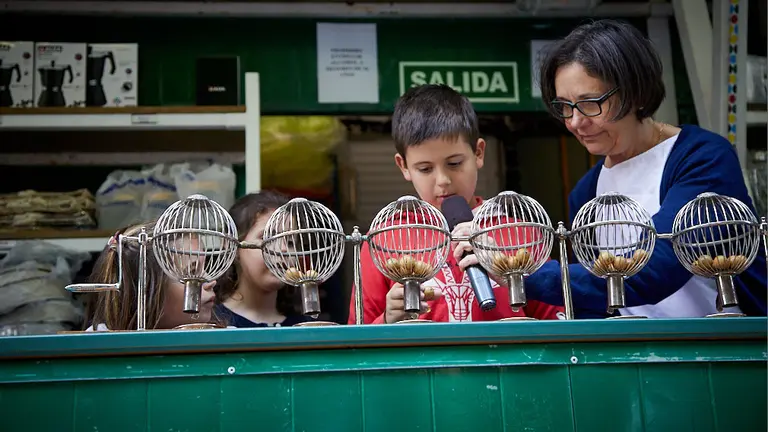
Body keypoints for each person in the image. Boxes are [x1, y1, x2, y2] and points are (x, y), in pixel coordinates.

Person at [461, 19, 765, 318]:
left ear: (635, 92)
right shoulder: (587, 191)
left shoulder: (701, 158)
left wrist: (523, 273)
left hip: (723, 353)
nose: (576, 122)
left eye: (590, 103)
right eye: (564, 107)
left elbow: (659, 267)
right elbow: (597, 301)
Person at [348, 84, 565, 324]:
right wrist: (387, 320)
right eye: (425, 169)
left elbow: (561, 324)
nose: (443, 181)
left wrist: (510, 274)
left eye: (454, 163)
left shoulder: (519, 234)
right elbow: (357, 343)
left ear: (479, 153)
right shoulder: (384, 241)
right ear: (403, 167)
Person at [85, 221, 219, 331]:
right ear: (144, 288)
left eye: (205, 268)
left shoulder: (228, 339)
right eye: (192, 272)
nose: (211, 281)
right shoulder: (95, 345)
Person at [214, 191, 315, 327]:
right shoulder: (213, 323)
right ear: (234, 247)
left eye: (291, 242)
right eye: (267, 238)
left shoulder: (305, 327)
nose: (283, 249)